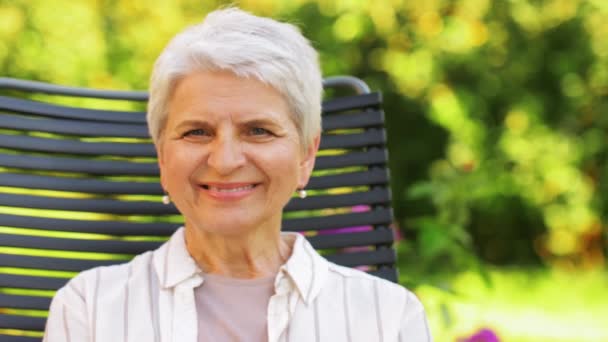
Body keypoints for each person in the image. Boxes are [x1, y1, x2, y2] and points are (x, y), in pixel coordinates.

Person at [43, 7, 431, 342]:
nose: (225, 160)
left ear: (306, 155)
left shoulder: (388, 317)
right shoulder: (88, 309)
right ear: (162, 156)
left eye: (258, 130)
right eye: (197, 132)